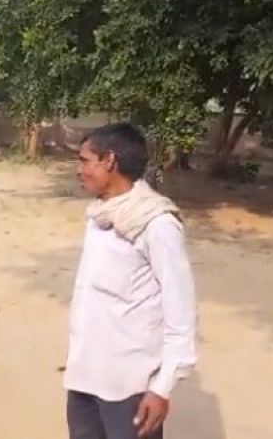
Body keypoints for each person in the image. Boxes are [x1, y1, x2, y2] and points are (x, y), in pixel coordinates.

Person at [64, 123, 198, 439]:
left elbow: (181, 316)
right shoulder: (102, 215)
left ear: (109, 161)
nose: (78, 170)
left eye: (84, 160)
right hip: (85, 376)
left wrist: (161, 389)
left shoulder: (157, 224)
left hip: (129, 388)